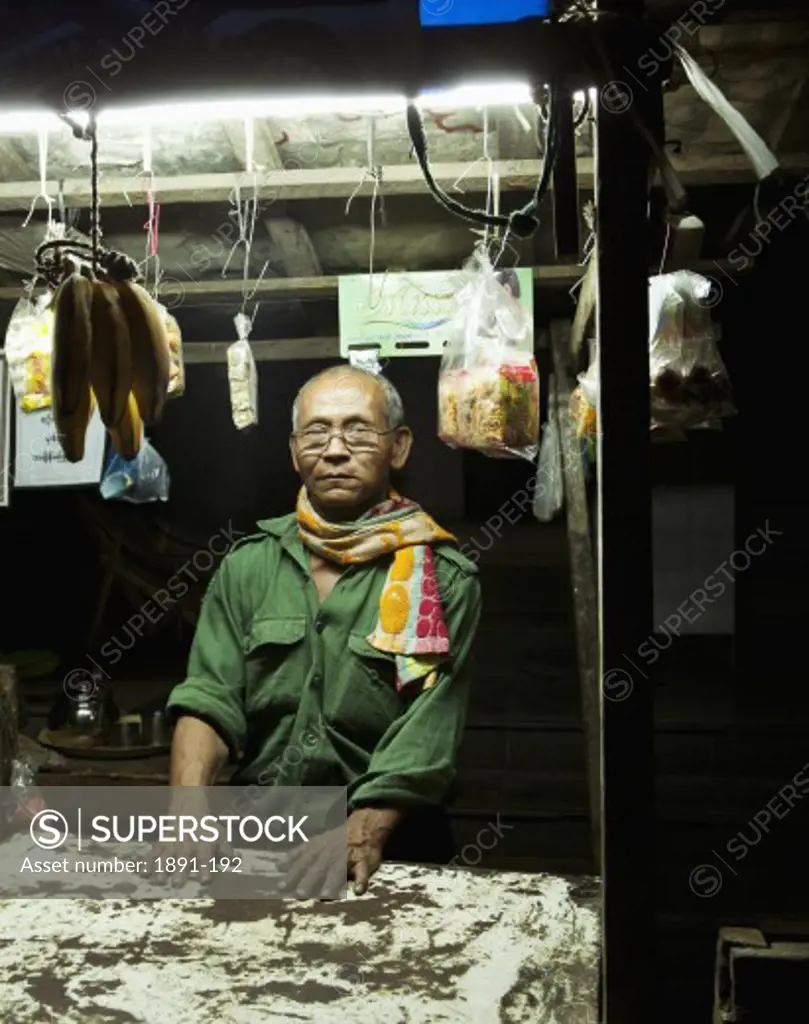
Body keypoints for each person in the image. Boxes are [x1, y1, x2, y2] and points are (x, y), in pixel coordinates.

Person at [164, 365, 482, 894]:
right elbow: (209, 697)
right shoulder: (249, 566)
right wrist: (188, 804)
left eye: (358, 430)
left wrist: (365, 829)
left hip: (389, 853)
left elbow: (429, 733)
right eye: (317, 432)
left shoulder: (444, 580)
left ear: (398, 447)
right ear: (294, 452)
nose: (335, 449)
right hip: (258, 841)